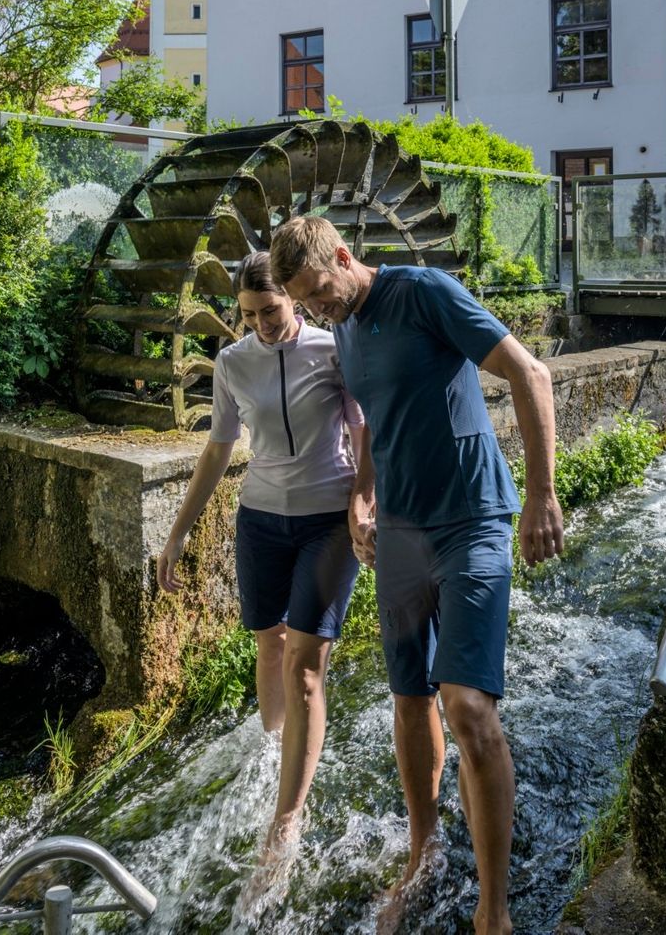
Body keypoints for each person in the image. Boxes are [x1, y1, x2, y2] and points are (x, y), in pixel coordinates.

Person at [270, 216, 564, 935]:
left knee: (466, 707)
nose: (317, 310)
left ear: (344, 256)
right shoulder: (339, 325)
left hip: (471, 520)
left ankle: (491, 910)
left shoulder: (424, 292)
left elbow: (531, 372)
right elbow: (373, 417)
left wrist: (541, 493)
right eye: (305, 304)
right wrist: (362, 495)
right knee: (409, 700)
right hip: (399, 534)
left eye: (320, 292)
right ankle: (423, 854)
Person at [157, 250, 364, 876]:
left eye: (270, 311)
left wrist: (365, 502)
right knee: (269, 644)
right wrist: (178, 533)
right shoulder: (232, 363)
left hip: (328, 521)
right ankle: (278, 748)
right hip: (261, 523)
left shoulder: (333, 348)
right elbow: (219, 449)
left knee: (306, 666)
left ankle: (286, 822)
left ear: (293, 298)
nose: (263, 327)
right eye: (249, 316)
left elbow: (364, 429)